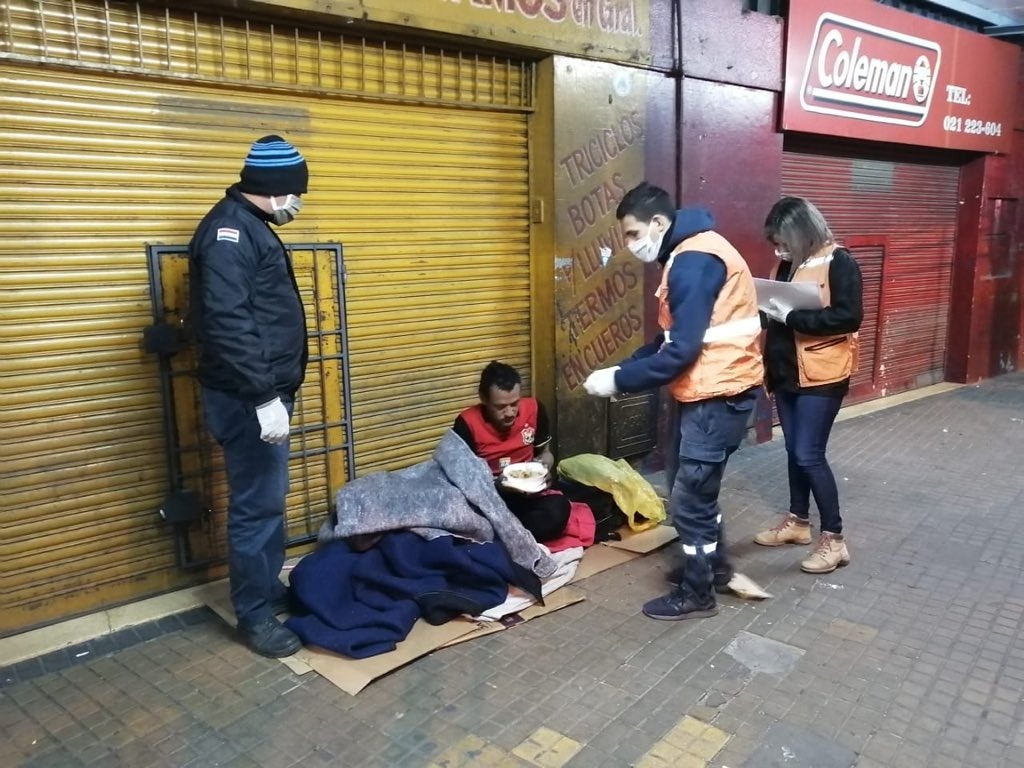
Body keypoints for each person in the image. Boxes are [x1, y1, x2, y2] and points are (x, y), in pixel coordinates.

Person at [583, 182, 763, 621]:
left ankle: (697, 593)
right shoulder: (694, 250)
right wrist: (625, 367)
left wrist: (619, 380)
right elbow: (671, 339)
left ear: (659, 223)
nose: (629, 244)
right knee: (695, 489)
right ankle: (714, 569)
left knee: (688, 498)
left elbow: (680, 352)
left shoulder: (693, 262)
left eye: (632, 233)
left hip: (717, 396)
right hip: (713, 392)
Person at [189, 135, 309, 658]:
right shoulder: (230, 233)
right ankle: (254, 615)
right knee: (256, 506)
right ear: (276, 187)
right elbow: (227, 322)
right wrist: (263, 398)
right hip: (247, 397)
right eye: (296, 192)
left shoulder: (250, 227)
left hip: (262, 391)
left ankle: (265, 588)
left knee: (268, 498)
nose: (297, 203)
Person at [754, 196, 862, 574]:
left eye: (783, 242)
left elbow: (848, 317)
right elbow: (774, 315)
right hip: (785, 374)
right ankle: (798, 522)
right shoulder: (787, 265)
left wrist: (793, 317)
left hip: (822, 375)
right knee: (794, 451)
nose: (778, 250)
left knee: (809, 454)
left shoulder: (839, 261)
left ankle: (835, 539)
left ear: (801, 233)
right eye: (775, 244)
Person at [453, 361, 570, 543]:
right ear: (483, 399)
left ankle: (504, 535)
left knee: (559, 509)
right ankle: (512, 534)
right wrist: (497, 485)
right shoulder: (467, 423)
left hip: (528, 496)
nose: (509, 413)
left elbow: (546, 453)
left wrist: (544, 468)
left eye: (514, 404)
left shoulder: (534, 409)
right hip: (489, 499)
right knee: (460, 518)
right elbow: (462, 479)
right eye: (500, 407)